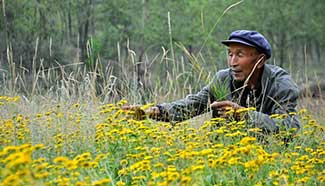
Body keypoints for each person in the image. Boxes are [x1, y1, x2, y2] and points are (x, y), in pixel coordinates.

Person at [123, 30, 300, 134]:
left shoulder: (281, 85)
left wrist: (244, 115)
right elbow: (192, 105)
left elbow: (290, 128)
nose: (232, 62)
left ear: (260, 60)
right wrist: (153, 112)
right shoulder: (222, 79)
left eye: (240, 54)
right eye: (230, 54)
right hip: (225, 156)